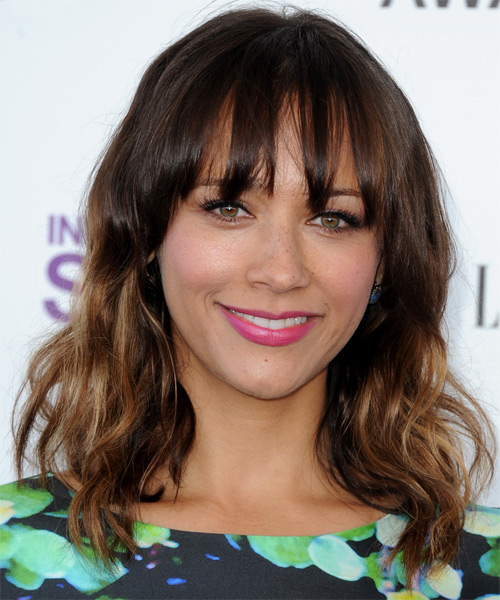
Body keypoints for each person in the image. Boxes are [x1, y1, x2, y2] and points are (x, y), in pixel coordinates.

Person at [1, 6, 498, 599]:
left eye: (333, 218)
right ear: (147, 229)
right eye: (229, 208)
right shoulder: (10, 554)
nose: (281, 271)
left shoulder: (479, 570)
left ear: (387, 259)